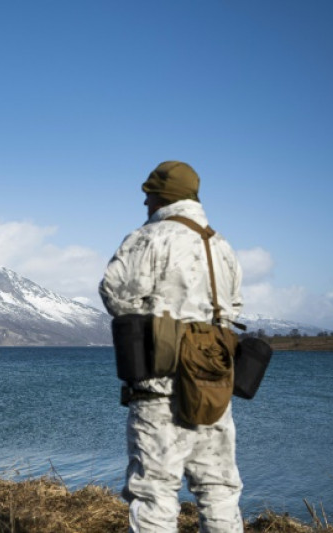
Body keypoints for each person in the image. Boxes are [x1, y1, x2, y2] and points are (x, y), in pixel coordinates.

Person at [99, 161, 244, 533]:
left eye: (148, 195)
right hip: (213, 384)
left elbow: (115, 292)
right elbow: (233, 308)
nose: (144, 203)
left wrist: (155, 317)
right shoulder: (221, 245)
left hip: (159, 384)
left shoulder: (149, 237)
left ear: (161, 197)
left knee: (154, 492)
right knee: (219, 489)